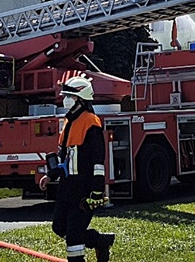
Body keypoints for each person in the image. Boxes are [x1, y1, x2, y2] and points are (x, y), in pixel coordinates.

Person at [48, 75, 115, 262]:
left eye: (70, 96)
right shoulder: (68, 121)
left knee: (74, 236)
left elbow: (98, 161)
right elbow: (65, 158)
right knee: (59, 227)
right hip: (67, 187)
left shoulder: (91, 122)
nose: (66, 100)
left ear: (81, 99)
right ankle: (100, 241)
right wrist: (51, 174)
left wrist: (96, 190)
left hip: (84, 189)